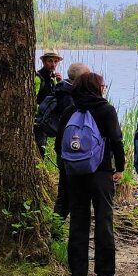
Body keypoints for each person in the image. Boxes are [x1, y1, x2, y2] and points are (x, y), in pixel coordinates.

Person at [58, 73, 124, 276]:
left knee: (78, 222)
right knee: (104, 220)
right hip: (101, 172)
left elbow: (59, 145)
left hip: (75, 174)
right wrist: (120, 168)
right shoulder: (106, 109)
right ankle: (105, 274)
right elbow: (116, 140)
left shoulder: (70, 110)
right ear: (98, 88)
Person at [52, 62, 90, 219]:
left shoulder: (62, 91)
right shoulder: (70, 99)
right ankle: (55, 230)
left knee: (65, 193)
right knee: (66, 195)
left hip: (64, 151)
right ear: (80, 80)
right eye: (88, 76)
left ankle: (56, 227)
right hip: (70, 154)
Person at [34, 51, 65, 151]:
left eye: (56, 62)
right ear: (43, 61)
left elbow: (55, 96)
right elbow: (32, 99)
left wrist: (60, 83)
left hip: (46, 119)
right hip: (38, 119)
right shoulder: (38, 78)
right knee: (40, 147)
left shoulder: (53, 78)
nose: (53, 64)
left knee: (43, 146)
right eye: (50, 61)